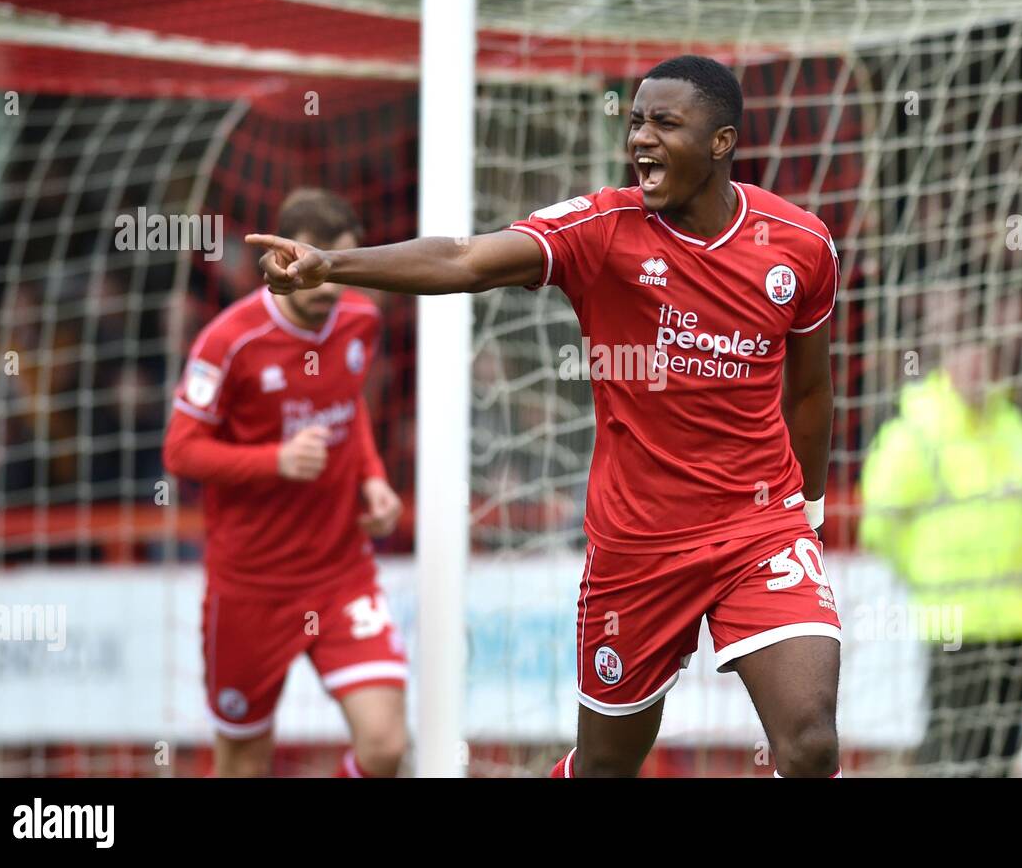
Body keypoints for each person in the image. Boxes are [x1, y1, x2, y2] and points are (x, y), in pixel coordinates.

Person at [249, 56, 842, 779]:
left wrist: (806, 512)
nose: (641, 138)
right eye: (635, 122)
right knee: (604, 765)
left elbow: (810, 393)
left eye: (664, 122)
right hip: (639, 547)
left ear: (721, 142)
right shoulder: (603, 229)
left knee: (810, 743)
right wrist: (331, 266)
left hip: (759, 527)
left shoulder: (801, 245)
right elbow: (465, 259)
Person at [164, 188, 408, 778]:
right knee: (244, 760)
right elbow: (180, 449)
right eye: (314, 269)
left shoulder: (360, 320)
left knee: (385, 746)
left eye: (339, 270)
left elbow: (349, 412)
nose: (328, 286)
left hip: (340, 573)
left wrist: (372, 479)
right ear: (280, 261)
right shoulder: (229, 341)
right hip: (251, 586)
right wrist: (275, 460)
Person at [858, 334, 1022, 777]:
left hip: (1018, 617)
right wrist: (925, 575)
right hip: (955, 619)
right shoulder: (919, 429)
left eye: (985, 363)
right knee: (952, 752)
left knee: (1000, 754)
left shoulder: (1015, 428)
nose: (977, 374)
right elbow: (878, 521)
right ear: (948, 366)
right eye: (968, 362)